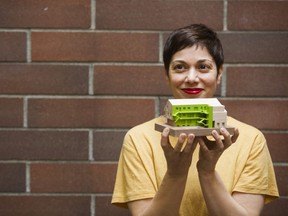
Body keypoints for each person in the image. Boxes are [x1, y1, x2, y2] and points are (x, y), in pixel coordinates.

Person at [111, 24, 279, 216]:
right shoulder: (139, 139)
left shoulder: (250, 139)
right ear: (167, 75)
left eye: (203, 67)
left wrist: (207, 171)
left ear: (219, 73)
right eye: (180, 67)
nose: (191, 78)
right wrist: (175, 173)